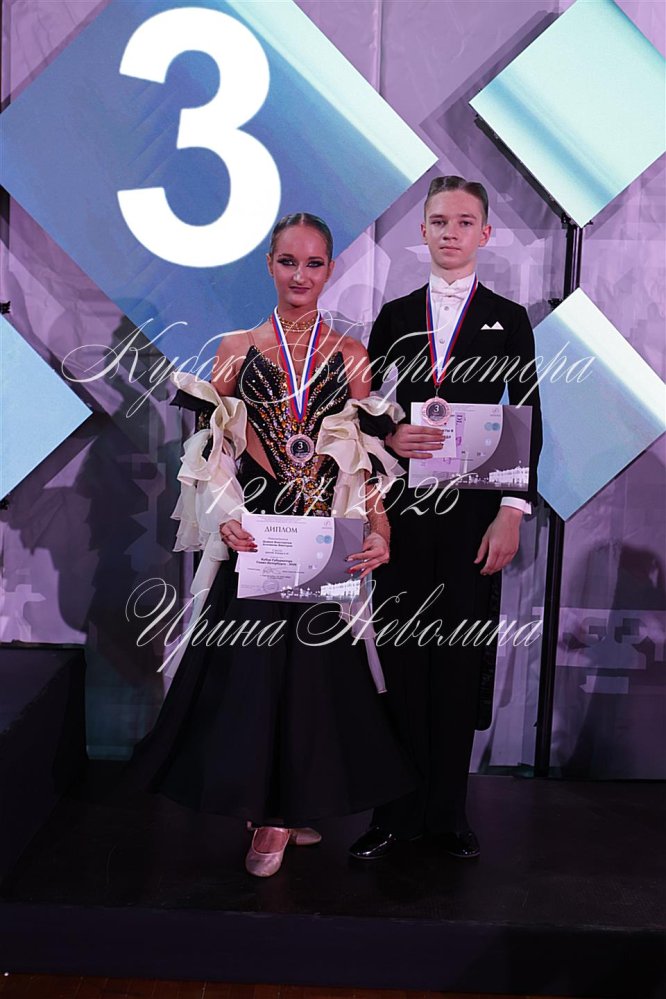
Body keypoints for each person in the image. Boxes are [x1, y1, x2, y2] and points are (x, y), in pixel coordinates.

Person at [121, 212, 414, 877]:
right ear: (269, 265)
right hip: (258, 537)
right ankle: (267, 813)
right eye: (288, 262)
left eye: (313, 263)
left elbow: (363, 456)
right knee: (248, 679)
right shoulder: (234, 348)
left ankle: (283, 809)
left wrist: (381, 527)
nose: (300, 276)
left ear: (330, 269)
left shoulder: (351, 356)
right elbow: (212, 450)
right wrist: (224, 515)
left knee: (314, 682)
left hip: (323, 539)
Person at [349, 176, 543, 861]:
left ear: (485, 234)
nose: (451, 232)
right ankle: (392, 813)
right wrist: (391, 434)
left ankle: (448, 815)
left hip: (474, 517)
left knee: (458, 660)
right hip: (403, 513)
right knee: (400, 659)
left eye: (465, 221)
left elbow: (527, 413)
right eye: (439, 220)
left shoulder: (509, 318)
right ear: (423, 231)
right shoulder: (395, 315)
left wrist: (512, 512)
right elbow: (362, 410)